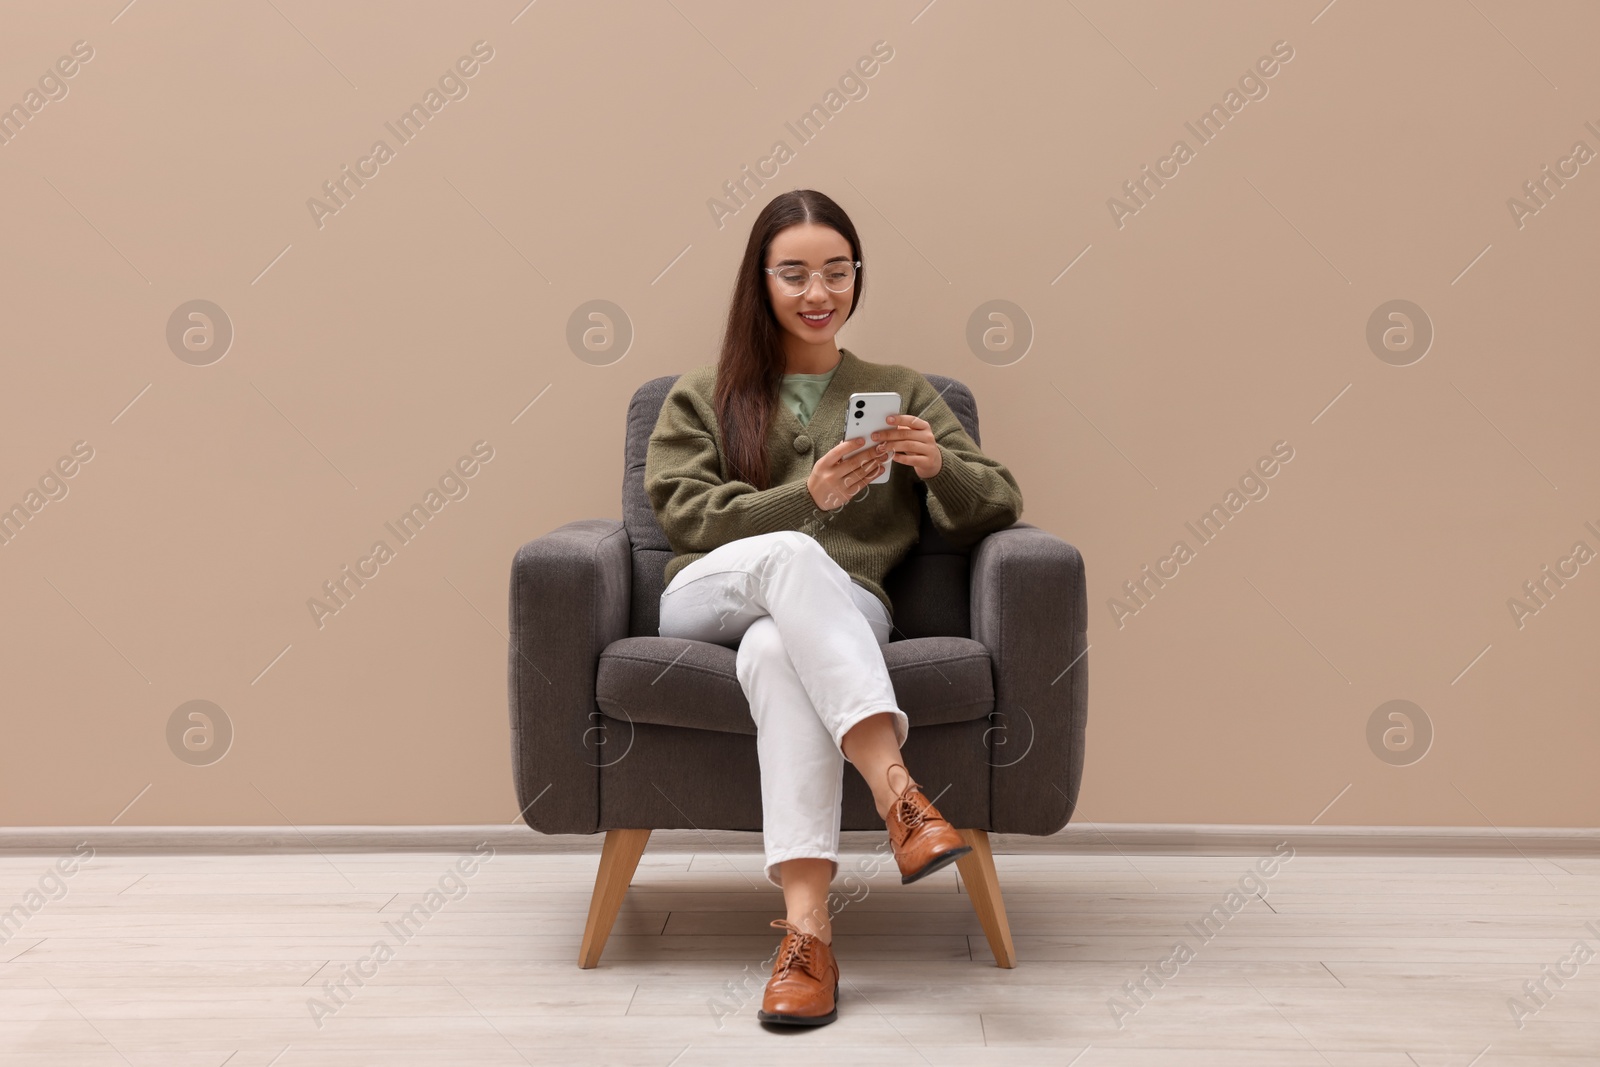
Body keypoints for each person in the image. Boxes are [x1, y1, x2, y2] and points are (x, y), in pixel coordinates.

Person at [643, 188, 1024, 1027]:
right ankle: (899, 795)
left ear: (857, 278)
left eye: (836, 272)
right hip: (710, 592)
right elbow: (683, 513)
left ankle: (807, 939)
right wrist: (800, 498)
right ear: (761, 280)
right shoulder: (702, 393)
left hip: (841, 611)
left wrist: (937, 469)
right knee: (792, 549)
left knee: (782, 652)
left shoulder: (901, 389)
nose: (819, 293)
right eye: (795, 274)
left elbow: (998, 502)